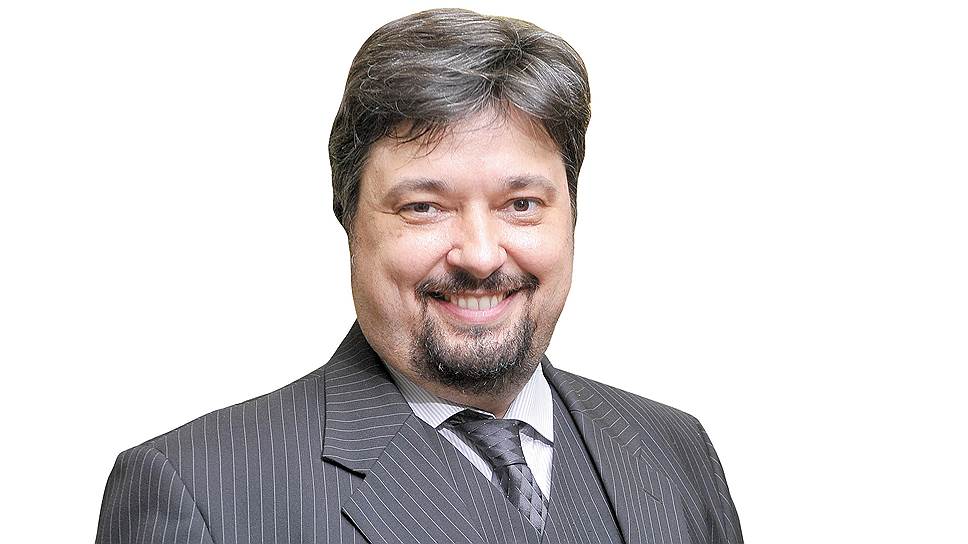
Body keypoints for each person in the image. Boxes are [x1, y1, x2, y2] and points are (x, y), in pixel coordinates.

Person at [96, 8, 742, 544]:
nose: (480, 255)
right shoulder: (198, 490)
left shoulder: (673, 448)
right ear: (349, 218)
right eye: (424, 207)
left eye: (522, 204)